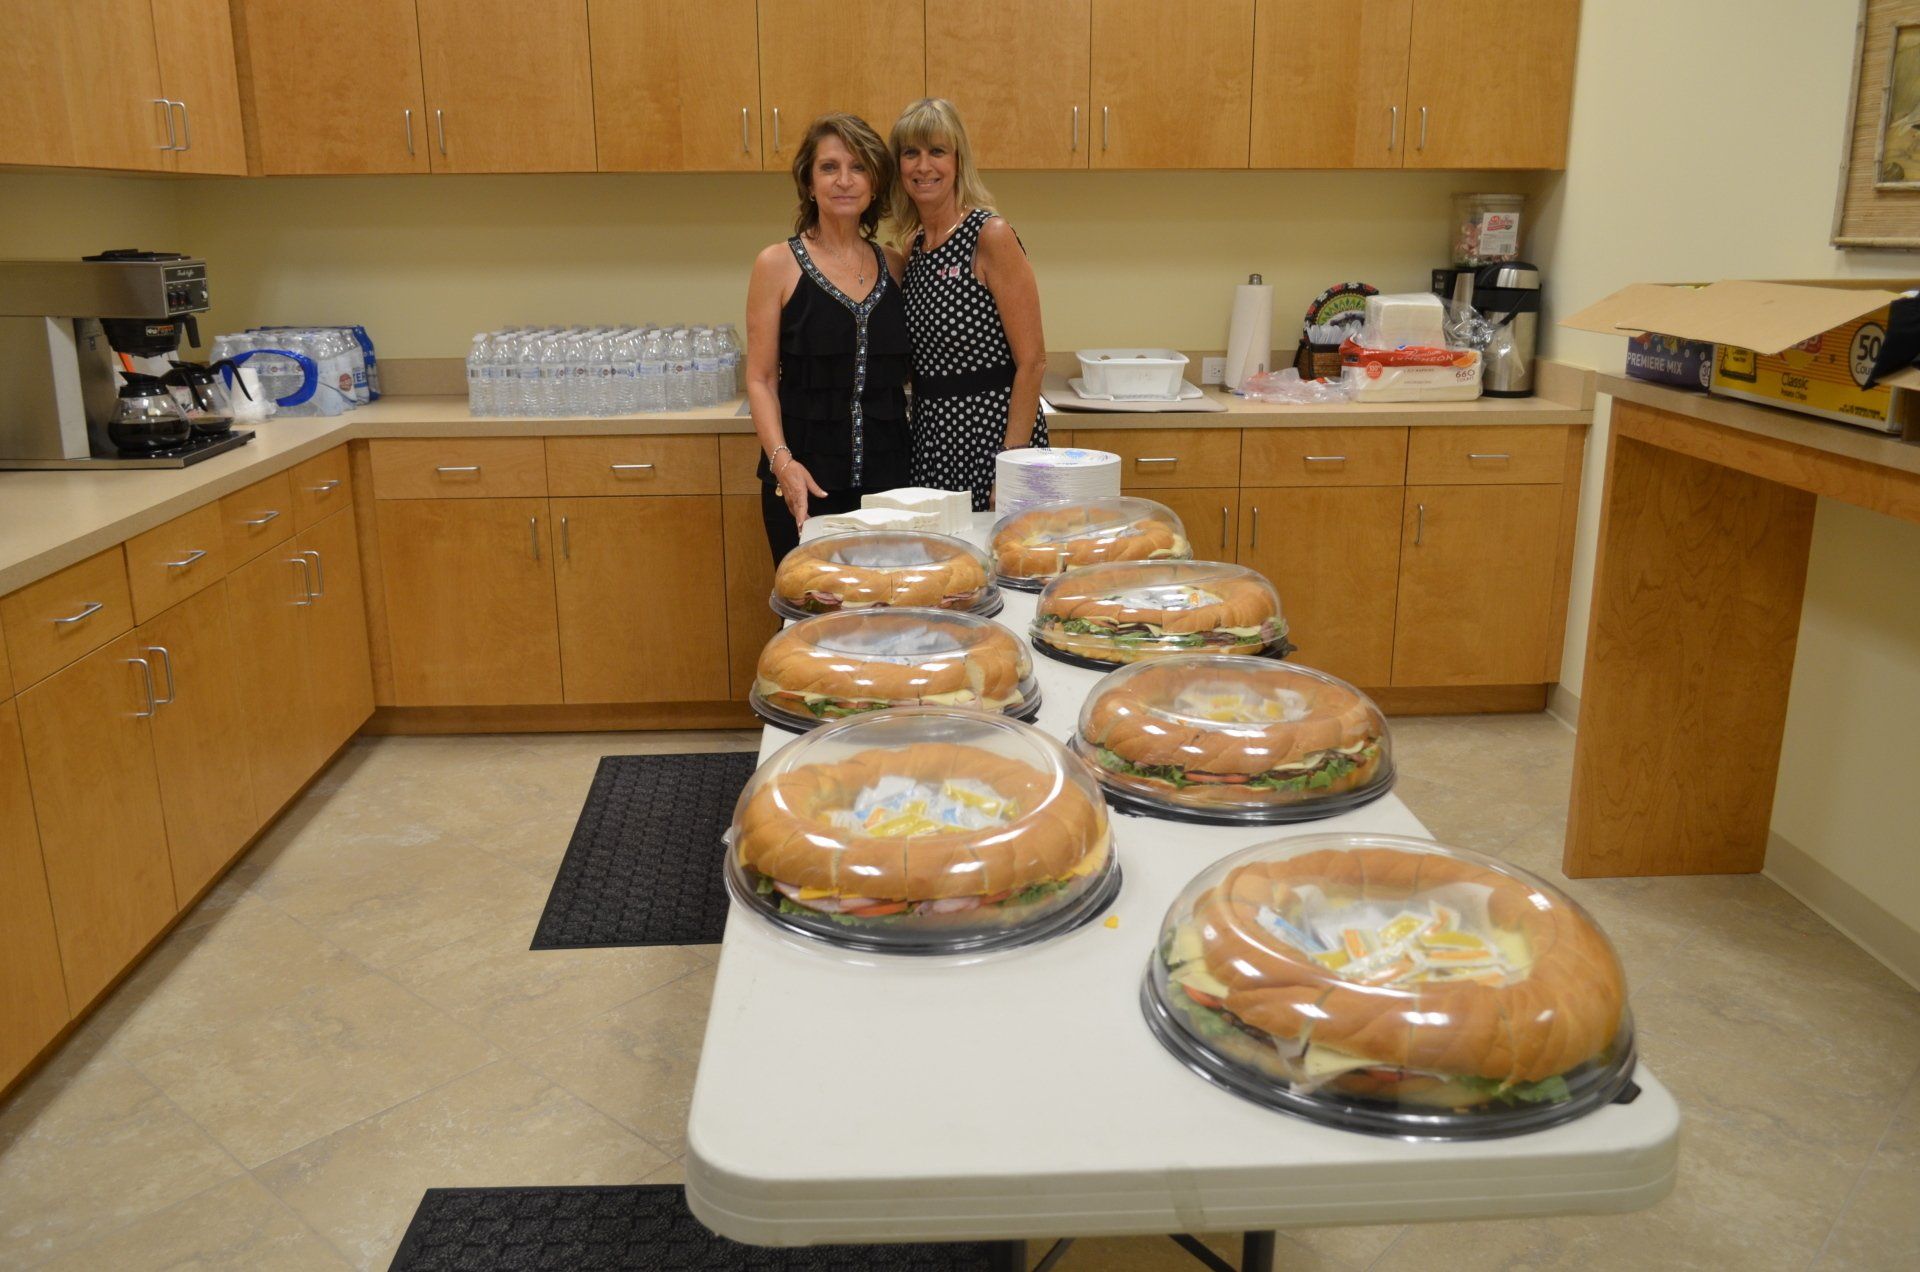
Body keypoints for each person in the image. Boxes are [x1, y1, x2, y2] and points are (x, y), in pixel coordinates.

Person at [744, 113, 912, 561]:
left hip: (889, 485)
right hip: (803, 480)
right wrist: (783, 464)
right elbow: (760, 378)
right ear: (809, 182)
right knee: (809, 600)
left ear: (875, 183)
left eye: (858, 167)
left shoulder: (896, 266)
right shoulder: (777, 264)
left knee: (886, 600)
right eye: (829, 167)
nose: (844, 180)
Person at [891, 98, 1048, 512]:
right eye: (911, 153)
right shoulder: (913, 248)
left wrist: (1011, 466)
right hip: (932, 441)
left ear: (958, 161)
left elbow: (1032, 361)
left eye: (937, 151)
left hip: (992, 439)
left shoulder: (989, 236)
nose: (924, 166)